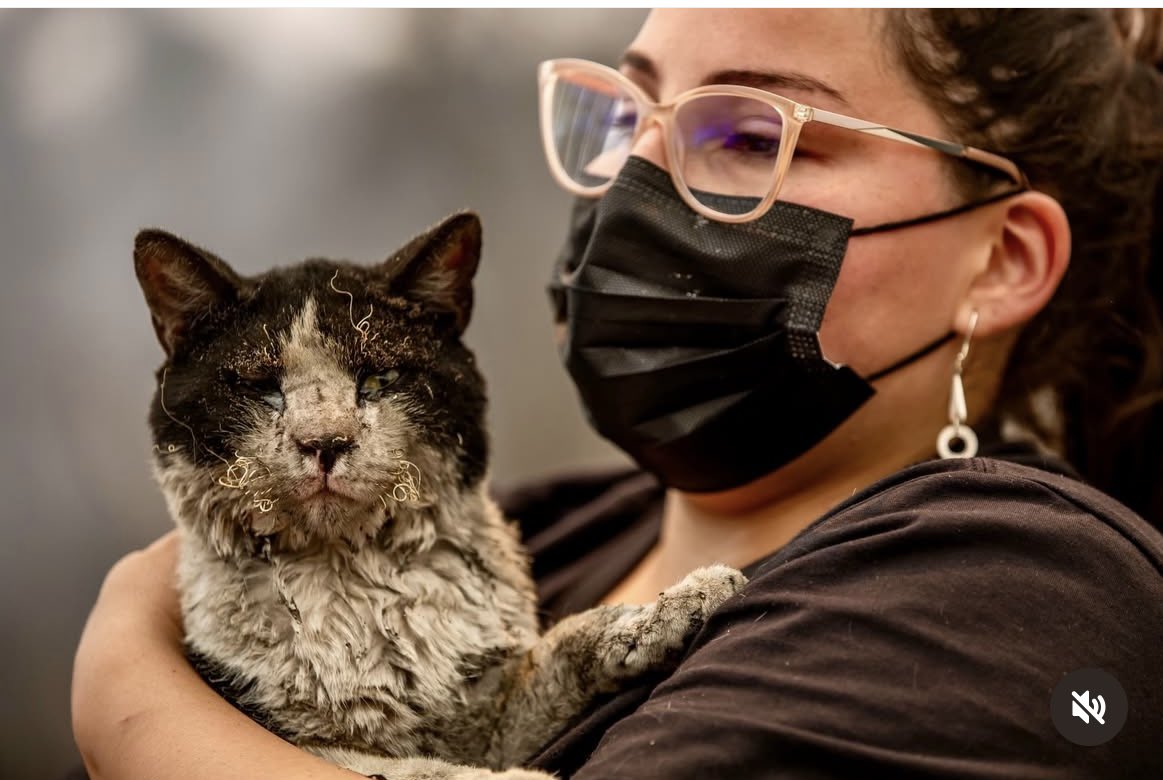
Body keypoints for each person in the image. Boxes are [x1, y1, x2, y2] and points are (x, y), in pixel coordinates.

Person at [72, 8, 1163, 779]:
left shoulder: (1009, 593)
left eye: (743, 134)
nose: (636, 184)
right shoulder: (543, 529)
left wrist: (127, 693)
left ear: (1000, 259)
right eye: (625, 116)